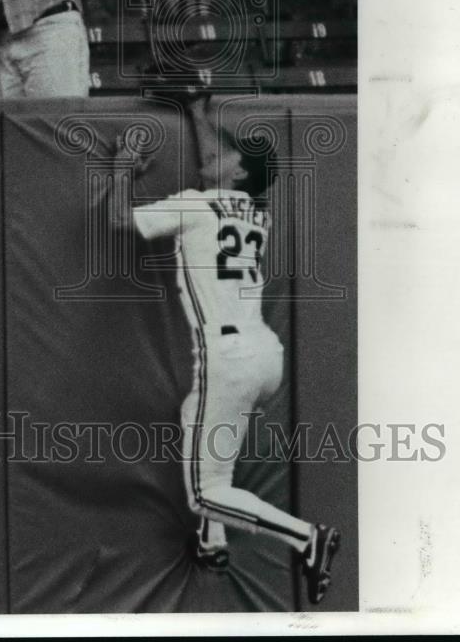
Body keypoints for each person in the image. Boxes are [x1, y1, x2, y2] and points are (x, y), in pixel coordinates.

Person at [108, 95, 340, 605]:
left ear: (236, 177)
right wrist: (195, 112)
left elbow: (120, 221)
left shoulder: (195, 203)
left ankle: (306, 538)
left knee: (204, 491)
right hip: (262, 355)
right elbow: (220, 166)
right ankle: (212, 540)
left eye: (225, 158)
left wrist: (121, 169)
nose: (212, 158)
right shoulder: (258, 215)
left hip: (229, 359)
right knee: (194, 415)